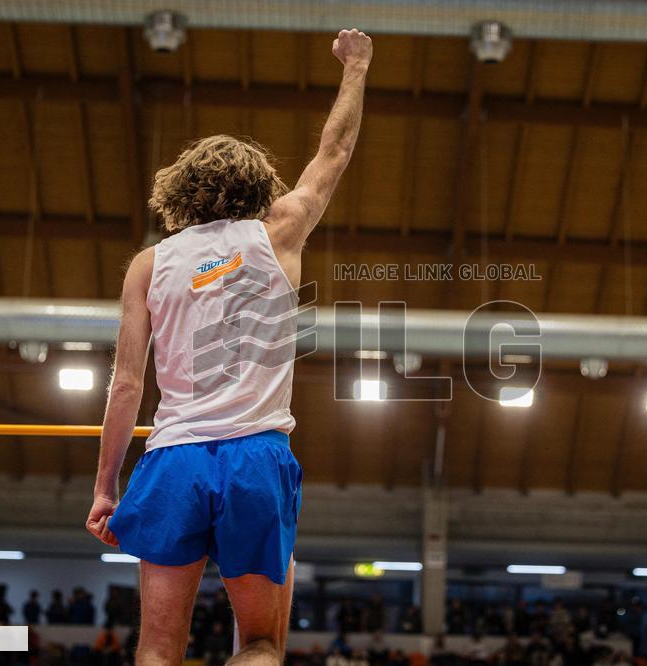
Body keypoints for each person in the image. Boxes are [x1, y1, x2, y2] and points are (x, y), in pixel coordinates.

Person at [85, 27, 373, 666]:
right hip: (255, 459)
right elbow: (335, 149)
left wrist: (106, 488)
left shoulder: (148, 265)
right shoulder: (280, 231)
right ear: (259, 187)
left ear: (178, 192)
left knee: (158, 647)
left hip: (173, 461)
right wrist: (355, 68)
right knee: (262, 643)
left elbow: (126, 386)